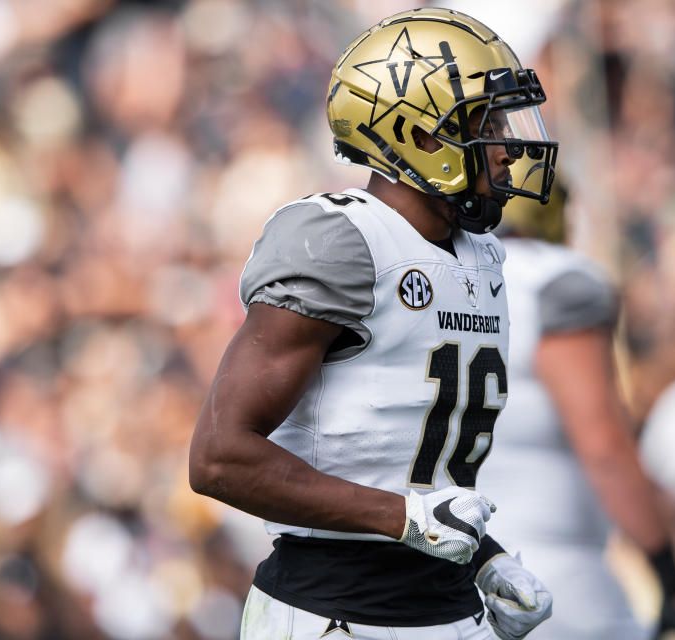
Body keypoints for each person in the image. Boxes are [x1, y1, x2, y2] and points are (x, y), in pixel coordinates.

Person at [188, 8, 559, 640]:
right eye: (486, 124)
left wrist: (485, 554)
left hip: (448, 607)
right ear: (419, 136)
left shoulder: (480, 254)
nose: (508, 149)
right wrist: (403, 519)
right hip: (336, 612)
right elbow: (220, 458)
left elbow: (407, 465)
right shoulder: (340, 238)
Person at [476, 173, 675, 640]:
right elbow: (603, 443)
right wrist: (666, 567)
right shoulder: (555, 278)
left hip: (456, 566)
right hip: (549, 566)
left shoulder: (446, 274)